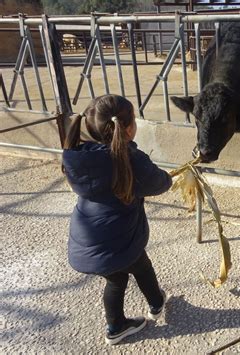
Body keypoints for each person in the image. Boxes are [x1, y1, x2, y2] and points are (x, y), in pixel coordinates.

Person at [62, 94, 172, 345]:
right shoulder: (130, 159)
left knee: (117, 277)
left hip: (89, 236)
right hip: (120, 238)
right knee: (141, 266)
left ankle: (116, 326)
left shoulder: (78, 155)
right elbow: (158, 183)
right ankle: (156, 304)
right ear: (130, 128)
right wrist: (168, 178)